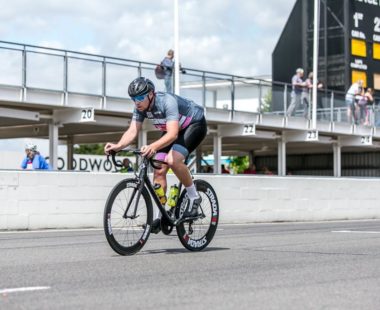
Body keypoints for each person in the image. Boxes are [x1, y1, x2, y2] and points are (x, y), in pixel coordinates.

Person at [104, 77, 207, 234]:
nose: (136, 102)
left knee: (173, 159)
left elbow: (172, 134)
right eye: (133, 99)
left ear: (151, 94)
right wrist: (118, 146)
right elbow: (132, 131)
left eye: (140, 97)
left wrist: (152, 146)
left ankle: (194, 197)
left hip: (194, 124)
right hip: (174, 129)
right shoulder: (140, 108)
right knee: (158, 167)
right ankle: (161, 215)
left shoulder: (167, 102)